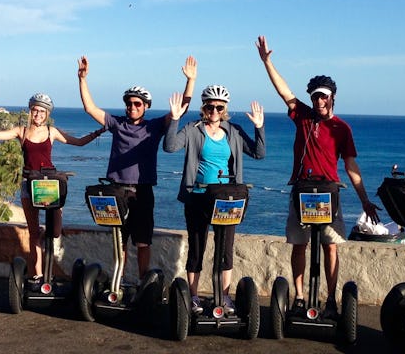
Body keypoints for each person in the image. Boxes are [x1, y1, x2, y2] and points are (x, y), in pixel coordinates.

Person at [255, 35, 381, 318]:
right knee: (299, 245)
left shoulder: (342, 128)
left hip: (329, 192)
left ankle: (332, 301)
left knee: (330, 247)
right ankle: (299, 298)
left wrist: (365, 202)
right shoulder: (303, 116)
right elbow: (283, 91)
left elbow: (351, 167)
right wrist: (267, 62)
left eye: (323, 96)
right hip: (301, 188)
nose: (319, 100)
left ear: (332, 97)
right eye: (315, 96)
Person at [77, 55, 197, 279]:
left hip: (142, 191)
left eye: (137, 103)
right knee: (119, 241)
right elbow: (89, 108)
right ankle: (117, 284)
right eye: (129, 103)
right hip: (116, 191)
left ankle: (143, 284)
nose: (132, 107)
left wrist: (190, 80)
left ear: (146, 107)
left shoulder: (153, 127)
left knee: (143, 242)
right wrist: (82, 79)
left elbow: (181, 109)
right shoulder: (116, 123)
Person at [0, 91, 104, 289]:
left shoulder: (51, 132)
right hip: (29, 183)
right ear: (30, 112)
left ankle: (46, 267)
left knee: (54, 232)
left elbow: (78, 142)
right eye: (34, 111)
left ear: (46, 114)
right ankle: (37, 276)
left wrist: (98, 132)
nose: (37, 114)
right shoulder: (22, 131)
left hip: (49, 184)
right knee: (33, 233)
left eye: (41, 111)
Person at [163, 85, 265, 313]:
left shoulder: (234, 131)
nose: (214, 111)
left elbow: (259, 153)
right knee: (197, 248)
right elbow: (169, 147)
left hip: (227, 199)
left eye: (219, 107)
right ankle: (194, 296)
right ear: (204, 108)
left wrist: (259, 127)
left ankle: (224, 297)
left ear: (224, 109)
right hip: (197, 197)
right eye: (210, 107)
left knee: (225, 249)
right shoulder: (193, 129)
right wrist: (175, 120)